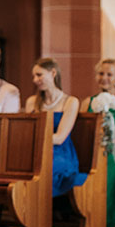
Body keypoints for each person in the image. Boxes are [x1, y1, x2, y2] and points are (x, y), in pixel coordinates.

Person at [80, 59, 115, 227]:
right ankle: (80, 210)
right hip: (91, 147)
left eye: (109, 74)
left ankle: (101, 219)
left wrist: (106, 143)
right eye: (101, 73)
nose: (105, 78)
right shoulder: (88, 102)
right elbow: (80, 132)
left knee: (107, 159)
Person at [25, 58, 86, 197]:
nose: (35, 80)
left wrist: (36, 140)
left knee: (44, 168)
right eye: (34, 76)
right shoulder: (31, 102)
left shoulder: (70, 102)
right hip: (35, 150)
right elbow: (28, 132)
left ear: (53, 73)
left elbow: (59, 138)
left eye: (39, 75)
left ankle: (42, 208)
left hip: (60, 153)